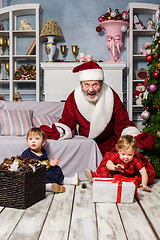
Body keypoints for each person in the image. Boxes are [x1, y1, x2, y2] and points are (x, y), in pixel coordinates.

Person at [41, 61, 155, 156]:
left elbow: (122, 121)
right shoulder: (74, 97)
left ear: (101, 84)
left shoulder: (111, 95)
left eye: (95, 84)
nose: (91, 89)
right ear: (81, 84)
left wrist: (133, 136)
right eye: (86, 85)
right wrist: (57, 131)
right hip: (86, 142)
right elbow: (67, 120)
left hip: (111, 141)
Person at [85, 135, 156, 191]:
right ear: (118, 151)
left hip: (130, 174)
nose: (126, 157)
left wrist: (144, 184)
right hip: (117, 172)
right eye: (123, 154)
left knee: (141, 178)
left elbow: (143, 171)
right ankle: (96, 178)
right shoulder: (117, 156)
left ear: (134, 153)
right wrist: (114, 167)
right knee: (106, 173)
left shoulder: (135, 159)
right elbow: (108, 163)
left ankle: (131, 182)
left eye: (129, 155)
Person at [21, 127, 79, 193]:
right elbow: (26, 167)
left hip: (44, 170)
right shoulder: (27, 154)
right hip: (35, 174)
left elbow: (45, 163)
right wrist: (41, 167)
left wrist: (50, 163)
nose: (33, 141)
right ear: (27, 141)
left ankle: (69, 181)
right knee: (42, 178)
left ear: (43, 142)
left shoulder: (43, 151)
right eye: (30, 139)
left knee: (56, 169)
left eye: (37, 139)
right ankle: (49, 187)